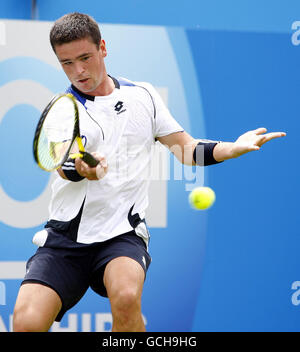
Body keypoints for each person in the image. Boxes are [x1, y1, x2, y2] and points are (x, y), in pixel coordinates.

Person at [12, 12, 286, 332]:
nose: (79, 71)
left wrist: (233, 147)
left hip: (121, 235)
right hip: (64, 237)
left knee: (127, 297)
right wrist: (84, 170)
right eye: (67, 63)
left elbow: (186, 149)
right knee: (26, 322)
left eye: (85, 57)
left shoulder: (142, 96)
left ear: (103, 47)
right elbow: (64, 167)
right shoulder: (63, 109)